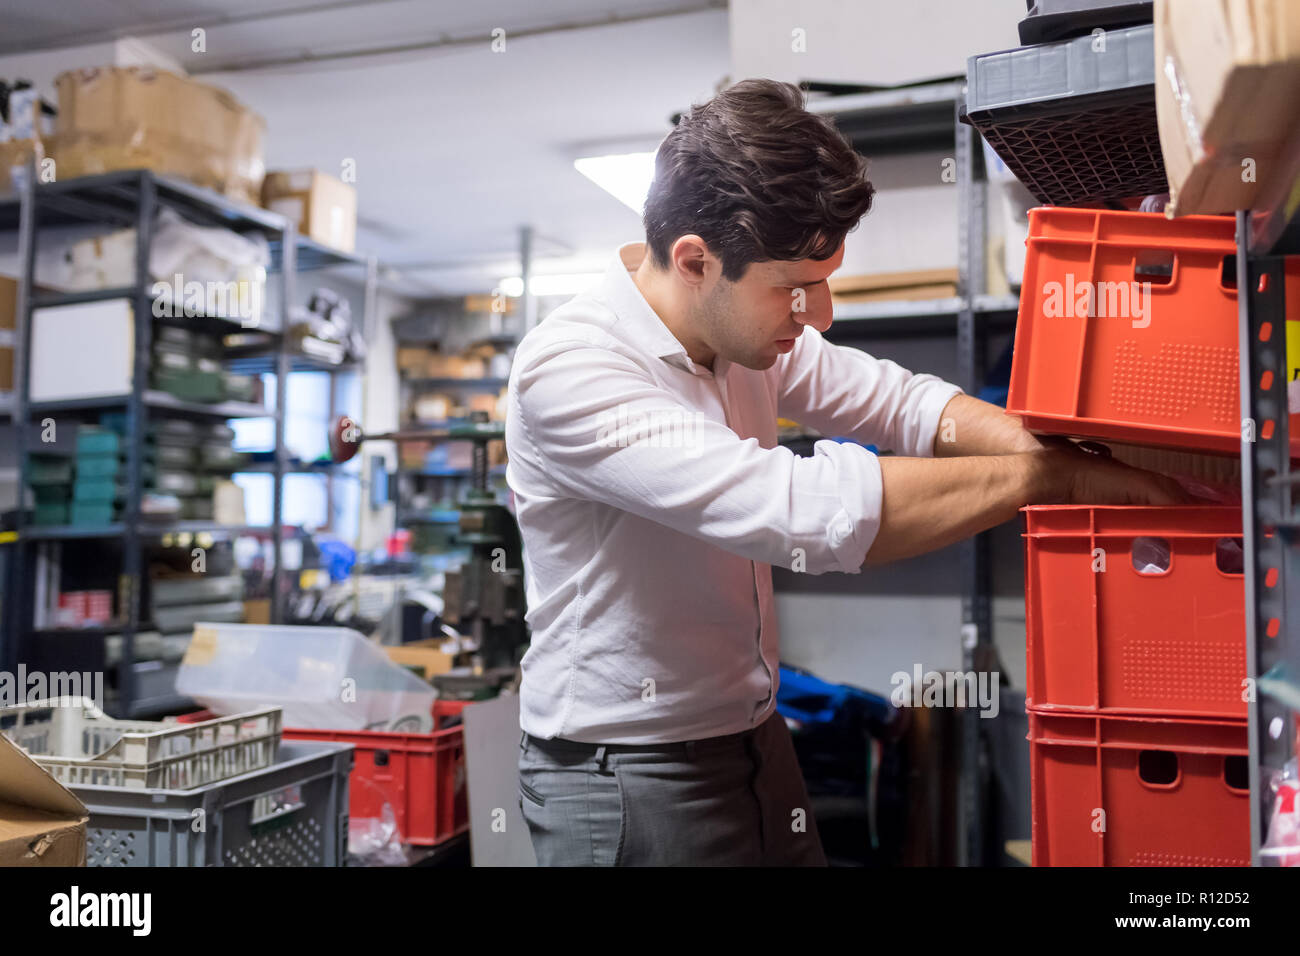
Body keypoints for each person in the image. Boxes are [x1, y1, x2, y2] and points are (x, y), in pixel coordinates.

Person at [504, 78, 1189, 866]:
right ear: (695, 261)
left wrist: (1051, 448)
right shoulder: (572, 369)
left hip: (753, 734)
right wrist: (1049, 481)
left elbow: (894, 401)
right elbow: (796, 510)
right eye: (796, 288)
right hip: (626, 770)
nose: (820, 314)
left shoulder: (741, 332)